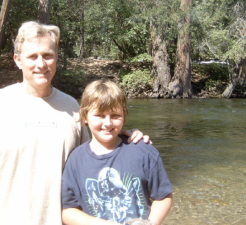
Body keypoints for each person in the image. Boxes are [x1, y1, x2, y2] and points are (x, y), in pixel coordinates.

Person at [0, 21, 150, 225]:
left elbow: (93, 159)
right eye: (32, 56)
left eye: (47, 55)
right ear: (18, 60)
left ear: (56, 58)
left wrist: (126, 140)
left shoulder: (72, 107)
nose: (41, 64)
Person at [61, 79, 173, 225]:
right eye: (100, 115)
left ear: (124, 115)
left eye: (115, 115)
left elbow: (163, 196)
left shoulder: (144, 151)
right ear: (84, 115)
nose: (107, 123)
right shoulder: (76, 159)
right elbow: (68, 210)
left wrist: (151, 222)